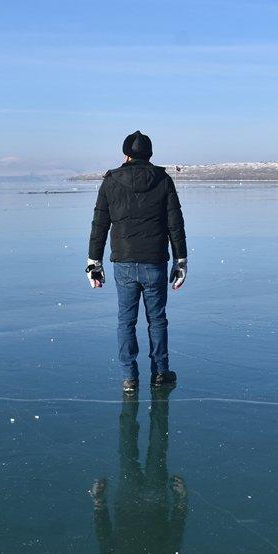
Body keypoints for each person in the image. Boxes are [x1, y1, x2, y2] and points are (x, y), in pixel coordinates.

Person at [87, 131, 188, 393]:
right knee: (157, 320)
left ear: (126, 154)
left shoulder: (111, 181)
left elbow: (100, 224)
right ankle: (160, 373)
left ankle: (129, 377)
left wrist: (93, 262)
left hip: (123, 262)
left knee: (126, 320)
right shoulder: (163, 180)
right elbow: (175, 223)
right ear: (150, 155)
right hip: (154, 262)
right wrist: (181, 260)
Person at [89, 389, 188, 554]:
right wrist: (180, 502)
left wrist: (99, 502)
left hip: (132, 501)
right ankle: (153, 402)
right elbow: (174, 535)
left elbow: (104, 535)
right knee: (149, 448)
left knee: (138, 448)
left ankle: (134, 402)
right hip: (149, 502)